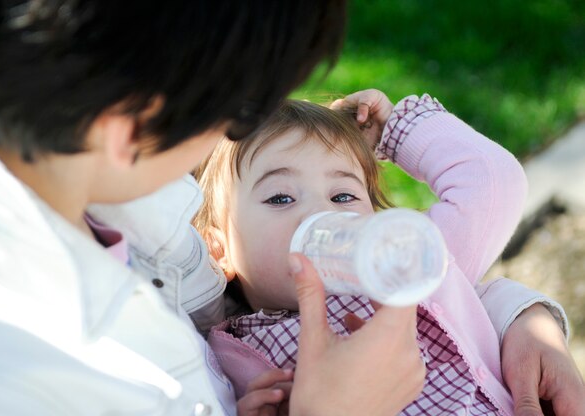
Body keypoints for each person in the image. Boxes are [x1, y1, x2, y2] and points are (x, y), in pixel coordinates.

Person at [0, 2, 581, 415]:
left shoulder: (142, 216)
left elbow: (480, 211)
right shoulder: (9, 370)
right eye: (239, 108)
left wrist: (519, 317)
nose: (323, 213)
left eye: (344, 193)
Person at [194, 94, 585, 414]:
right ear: (219, 250)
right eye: (280, 197)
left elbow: (492, 182)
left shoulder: (409, 264)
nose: (322, 213)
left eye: (343, 195)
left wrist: (395, 133)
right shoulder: (232, 354)